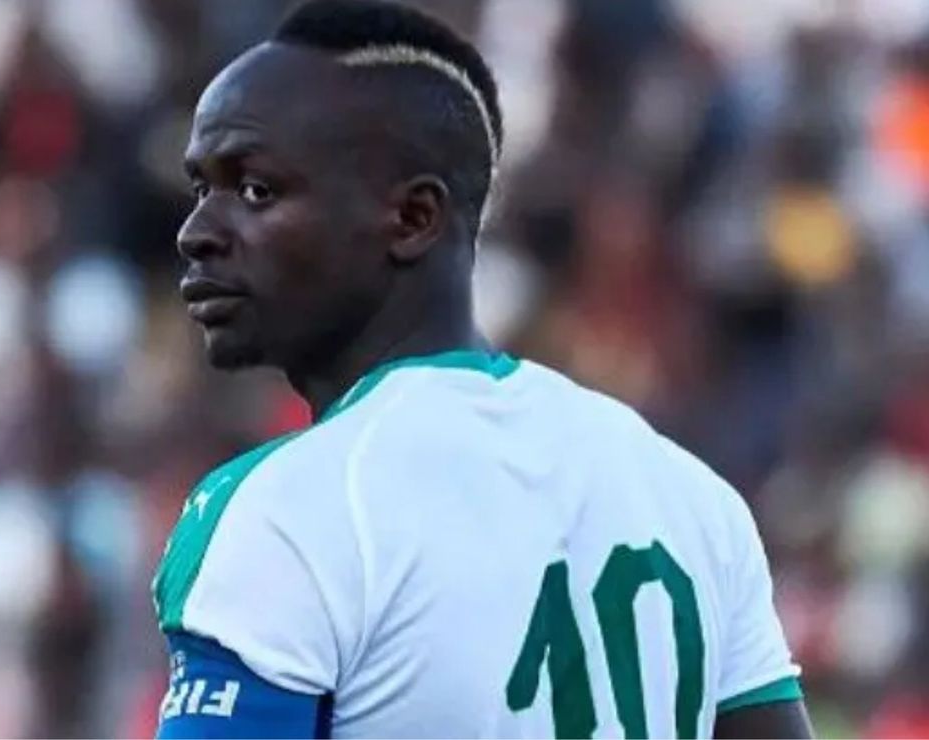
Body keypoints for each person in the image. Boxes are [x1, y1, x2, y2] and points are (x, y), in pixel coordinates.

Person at [153, 1, 812, 736]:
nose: (197, 232)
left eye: (255, 190)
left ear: (413, 219)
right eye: (200, 189)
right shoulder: (691, 500)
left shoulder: (284, 509)